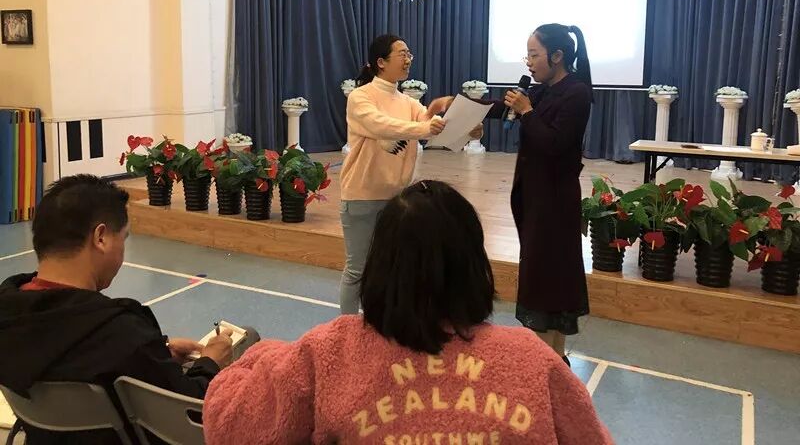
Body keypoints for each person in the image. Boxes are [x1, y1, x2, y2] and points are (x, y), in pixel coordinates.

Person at [203, 180, 613, 444]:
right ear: (474, 265)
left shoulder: (326, 352)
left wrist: (243, 361)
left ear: (380, 263)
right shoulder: (531, 359)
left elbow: (232, 427)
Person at [0, 175, 256, 444]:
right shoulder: (120, 332)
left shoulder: (9, 312)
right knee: (247, 338)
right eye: (123, 238)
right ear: (101, 238)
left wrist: (157, 350)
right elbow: (188, 411)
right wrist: (209, 363)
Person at [492, 23, 594, 364]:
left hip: (555, 202)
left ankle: (550, 360)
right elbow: (500, 106)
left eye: (534, 55)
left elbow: (555, 144)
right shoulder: (541, 91)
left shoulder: (576, 92)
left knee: (552, 277)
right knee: (542, 274)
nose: (529, 63)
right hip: (535, 198)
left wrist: (527, 112)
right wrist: (457, 105)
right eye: (528, 55)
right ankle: (551, 358)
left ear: (558, 55)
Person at [337, 33, 457, 314]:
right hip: (362, 197)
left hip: (398, 198)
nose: (408, 59)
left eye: (409, 54)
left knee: (392, 267)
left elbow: (429, 125)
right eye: (402, 54)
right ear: (381, 62)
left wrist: (460, 124)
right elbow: (381, 125)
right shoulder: (360, 97)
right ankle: (346, 328)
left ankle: (382, 322)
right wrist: (426, 126)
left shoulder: (407, 102)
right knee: (358, 269)